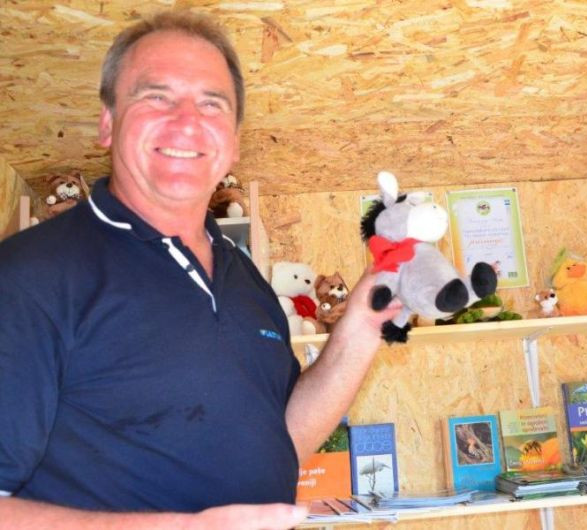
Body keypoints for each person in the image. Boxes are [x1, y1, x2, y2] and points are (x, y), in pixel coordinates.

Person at [0, 10, 400, 530]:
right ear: (107, 123)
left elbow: (283, 441)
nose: (187, 121)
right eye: (156, 96)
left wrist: (364, 323)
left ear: (233, 142)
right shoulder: (29, 275)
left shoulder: (244, 278)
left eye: (212, 103)